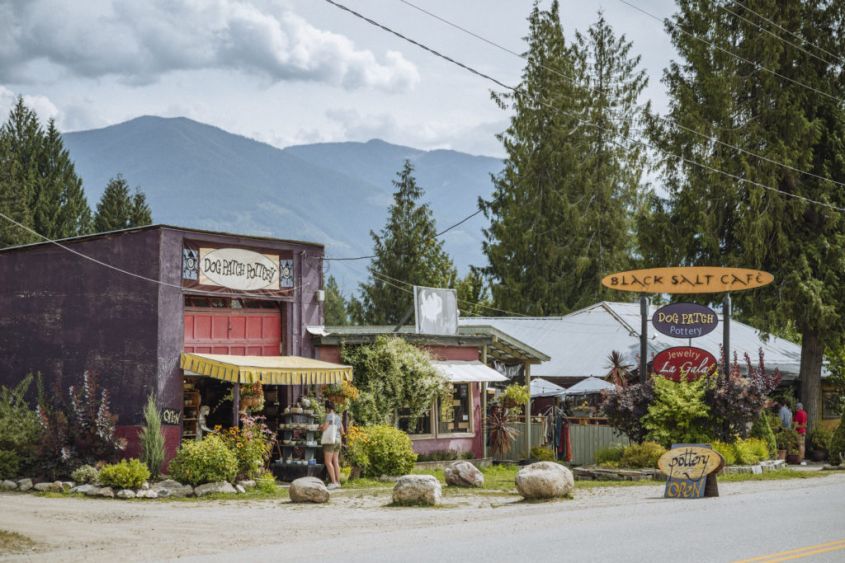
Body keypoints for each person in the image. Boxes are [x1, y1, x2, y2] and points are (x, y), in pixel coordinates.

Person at [320, 400, 343, 490]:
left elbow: (325, 428)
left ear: (327, 408)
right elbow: (342, 431)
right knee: (335, 462)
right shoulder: (338, 417)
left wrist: (320, 427)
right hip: (338, 440)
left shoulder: (329, 416)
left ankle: (333, 482)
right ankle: (338, 482)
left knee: (328, 462)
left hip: (330, 441)